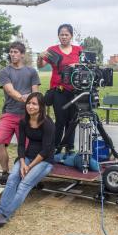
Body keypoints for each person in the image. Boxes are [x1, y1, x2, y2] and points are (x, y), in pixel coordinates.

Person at [0, 92, 55, 230]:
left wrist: (29, 166)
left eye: (34, 104)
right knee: (13, 178)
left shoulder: (47, 123)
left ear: (41, 106)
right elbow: (21, 145)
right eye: (29, 103)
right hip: (27, 157)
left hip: (44, 161)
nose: (30, 106)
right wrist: (22, 163)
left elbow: (45, 150)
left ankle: (3, 216)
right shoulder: (23, 121)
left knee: (24, 185)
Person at [0, 41, 40, 185]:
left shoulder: (32, 72)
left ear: (22, 54)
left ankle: (30, 174)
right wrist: (25, 98)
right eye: (11, 52)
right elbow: (10, 90)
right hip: (9, 113)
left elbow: (36, 93)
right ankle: (5, 172)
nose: (12, 54)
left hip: (27, 116)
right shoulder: (5, 72)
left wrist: (31, 104)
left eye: (16, 52)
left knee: (28, 148)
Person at [37, 24, 82, 154]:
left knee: (72, 121)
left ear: (71, 36)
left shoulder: (78, 49)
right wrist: (40, 56)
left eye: (66, 34)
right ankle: (56, 147)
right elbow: (40, 66)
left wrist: (77, 64)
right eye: (61, 34)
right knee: (60, 120)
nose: (64, 37)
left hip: (75, 90)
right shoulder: (52, 50)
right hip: (58, 89)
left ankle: (70, 147)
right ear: (58, 36)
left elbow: (86, 65)